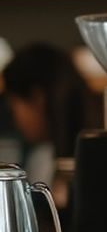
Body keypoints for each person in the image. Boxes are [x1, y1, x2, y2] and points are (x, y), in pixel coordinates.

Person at [2, 41, 100, 207]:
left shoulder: (90, 159)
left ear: (37, 98)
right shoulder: (53, 153)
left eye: (14, 108)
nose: (15, 120)